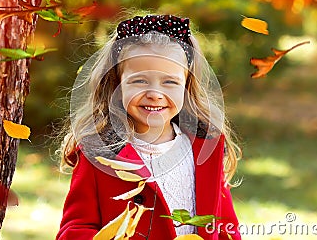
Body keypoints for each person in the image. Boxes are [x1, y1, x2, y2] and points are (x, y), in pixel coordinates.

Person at [56, 14, 242, 240]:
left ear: (187, 85)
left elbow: (226, 228)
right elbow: (75, 228)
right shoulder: (99, 152)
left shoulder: (207, 146)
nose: (155, 94)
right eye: (139, 81)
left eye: (170, 82)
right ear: (117, 85)